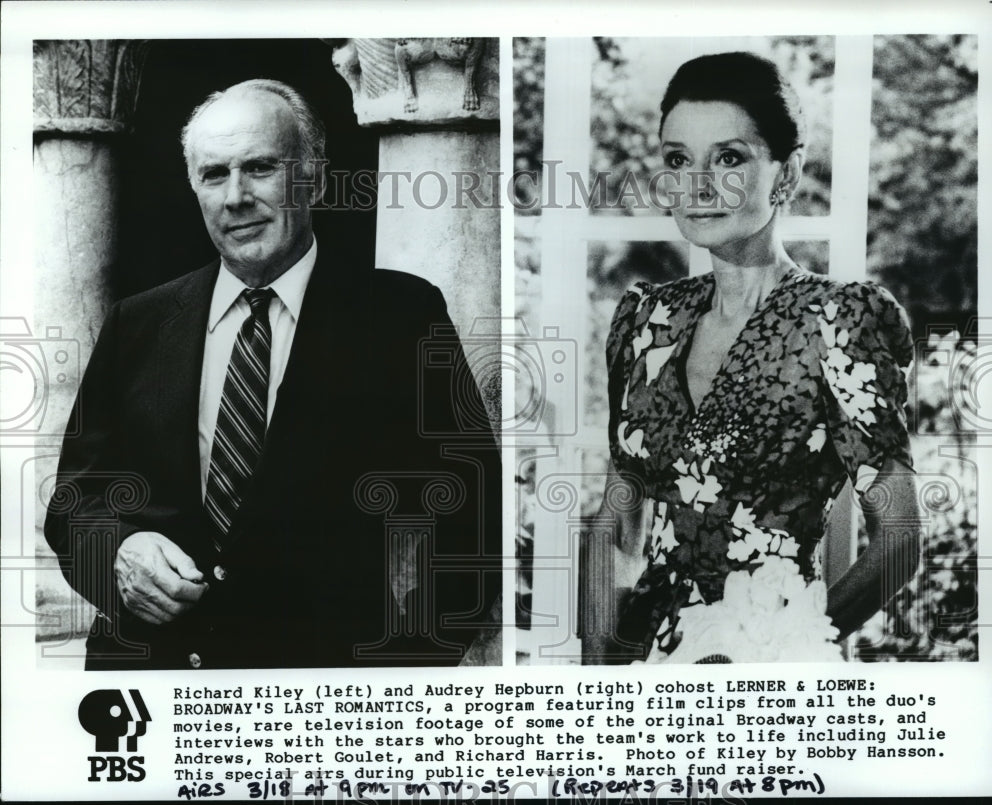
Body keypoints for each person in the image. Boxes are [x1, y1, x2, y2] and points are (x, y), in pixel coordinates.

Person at [44, 79, 500, 670]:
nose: (235, 196)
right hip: (147, 683)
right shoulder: (138, 322)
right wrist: (117, 553)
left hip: (320, 700)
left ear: (313, 176)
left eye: (259, 168)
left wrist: (404, 668)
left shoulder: (399, 317)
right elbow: (74, 501)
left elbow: (476, 518)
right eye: (214, 174)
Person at [586, 52, 919, 663]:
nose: (698, 185)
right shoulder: (645, 320)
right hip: (641, 662)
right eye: (678, 160)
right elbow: (617, 524)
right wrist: (599, 674)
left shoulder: (838, 320)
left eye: (730, 158)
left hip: (769, 666)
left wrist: (785, 648)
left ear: (785, 175)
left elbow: (898, 540)